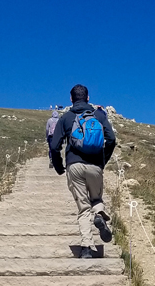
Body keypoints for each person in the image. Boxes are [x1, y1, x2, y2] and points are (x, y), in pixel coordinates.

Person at [49, 84, 117, 258]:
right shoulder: (99, 115)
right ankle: (100, 214)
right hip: (95, 166)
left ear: (71, 99)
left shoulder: (66, 118)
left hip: (74, 166)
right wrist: (102, 161)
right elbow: (111, 139)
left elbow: (55, 146)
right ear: (88, 98)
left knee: (83, 208)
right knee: (96, 198)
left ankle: (86, 248)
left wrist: (58, 167)